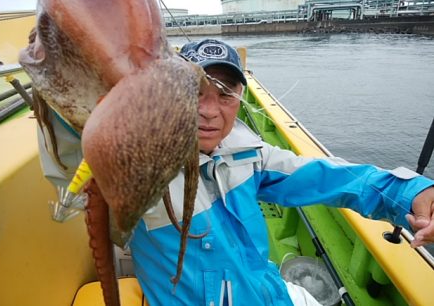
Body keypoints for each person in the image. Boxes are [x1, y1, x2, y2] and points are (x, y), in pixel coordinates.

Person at [37, 38, 434, 306]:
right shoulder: (140, 169)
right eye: (195, 94)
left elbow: (335, 178)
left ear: (240, 100)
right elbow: (77, 137)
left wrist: (410, 193)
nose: (210, 111)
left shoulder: (250, 157)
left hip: (269, 294)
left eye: (225, 94)